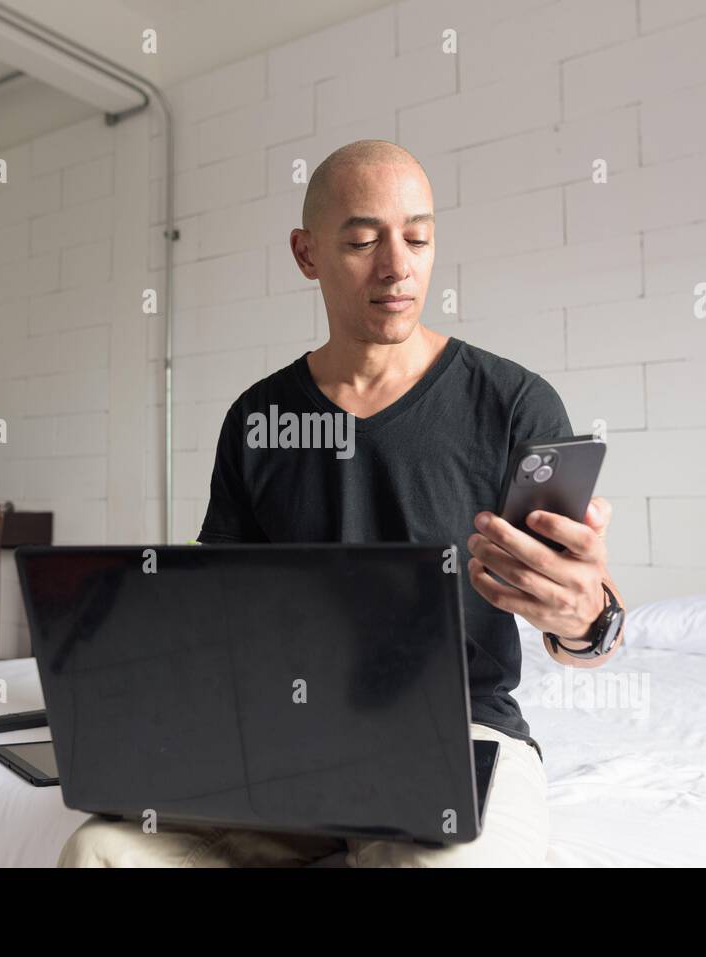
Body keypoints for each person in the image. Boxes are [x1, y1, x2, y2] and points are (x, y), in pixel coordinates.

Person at [59, 139, 626, 867]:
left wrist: (588, 617)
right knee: (100, 849)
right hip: (288, 741)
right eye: (362, 239)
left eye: (417, 237)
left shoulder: (513, 403)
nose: (398, 266)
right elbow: (220, 617)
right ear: (306, 254)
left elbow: (585, 613)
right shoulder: (256, 418)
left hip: (460, 735)